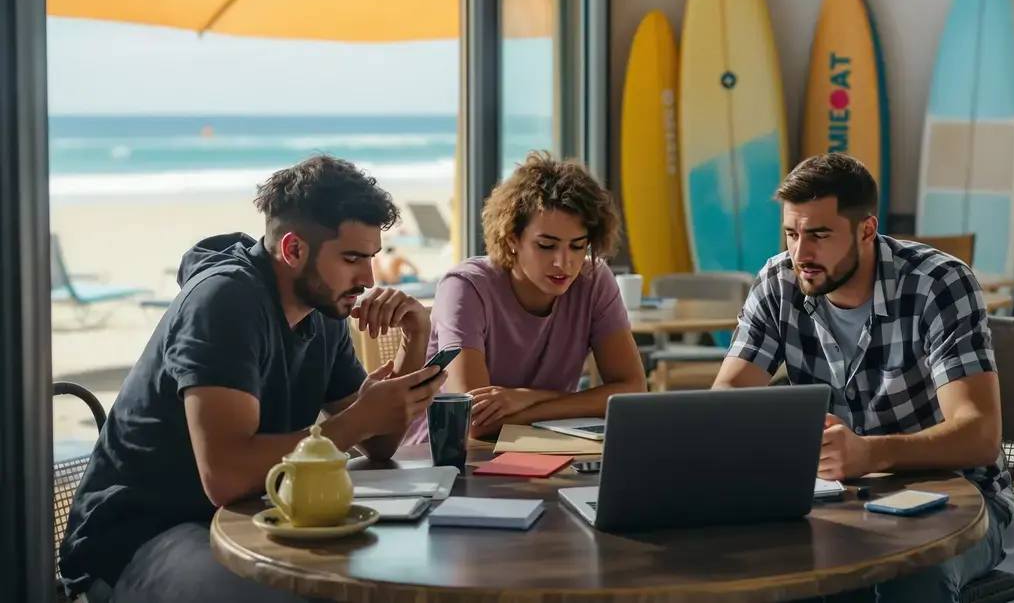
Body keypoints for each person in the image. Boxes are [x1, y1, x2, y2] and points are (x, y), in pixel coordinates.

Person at [59, 154, 444, 603]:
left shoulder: (324, 313)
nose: (368, 278)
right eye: (353, 258)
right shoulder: (225, 302)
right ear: (293, 249)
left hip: (251, 519)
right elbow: (225, 476)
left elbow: (378, 444)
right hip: (140, 536)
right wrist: (359, 419)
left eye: (373, 258)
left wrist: (413, 341)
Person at [712, 154, 1011, 603]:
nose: (800, 254)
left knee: (909, 574)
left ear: (866, 230)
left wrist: (868, 452)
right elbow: (728, 399)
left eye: (819, 235)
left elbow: (979, 435)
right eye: (792, 234)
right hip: (834, 499)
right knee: (754, 566)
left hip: (956, 503)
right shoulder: (778, 282)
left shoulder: (939, 283)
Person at [402, 152, 646, 443]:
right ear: (512, 238)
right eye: (546, 246)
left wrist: (524, 398)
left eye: (578, 246)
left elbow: (632, 390)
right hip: (447, 459)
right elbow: (474, 421)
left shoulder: (593, 280)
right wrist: (566, 404)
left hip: (544, 448)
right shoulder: (466, 287)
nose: (563, 262)